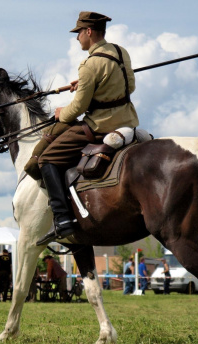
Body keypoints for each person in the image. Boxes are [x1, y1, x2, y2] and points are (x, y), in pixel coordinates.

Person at [35, 11, 139, 246]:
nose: (77, 38)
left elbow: (78, 108)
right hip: (128, 121)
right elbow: (129, 87)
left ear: (89, 32)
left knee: (46, 159)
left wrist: (63, 111)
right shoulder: (121, 52)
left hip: (100, 125)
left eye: (79, 32)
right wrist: (88, 85)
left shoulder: (89, 65)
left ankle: (62, 219)